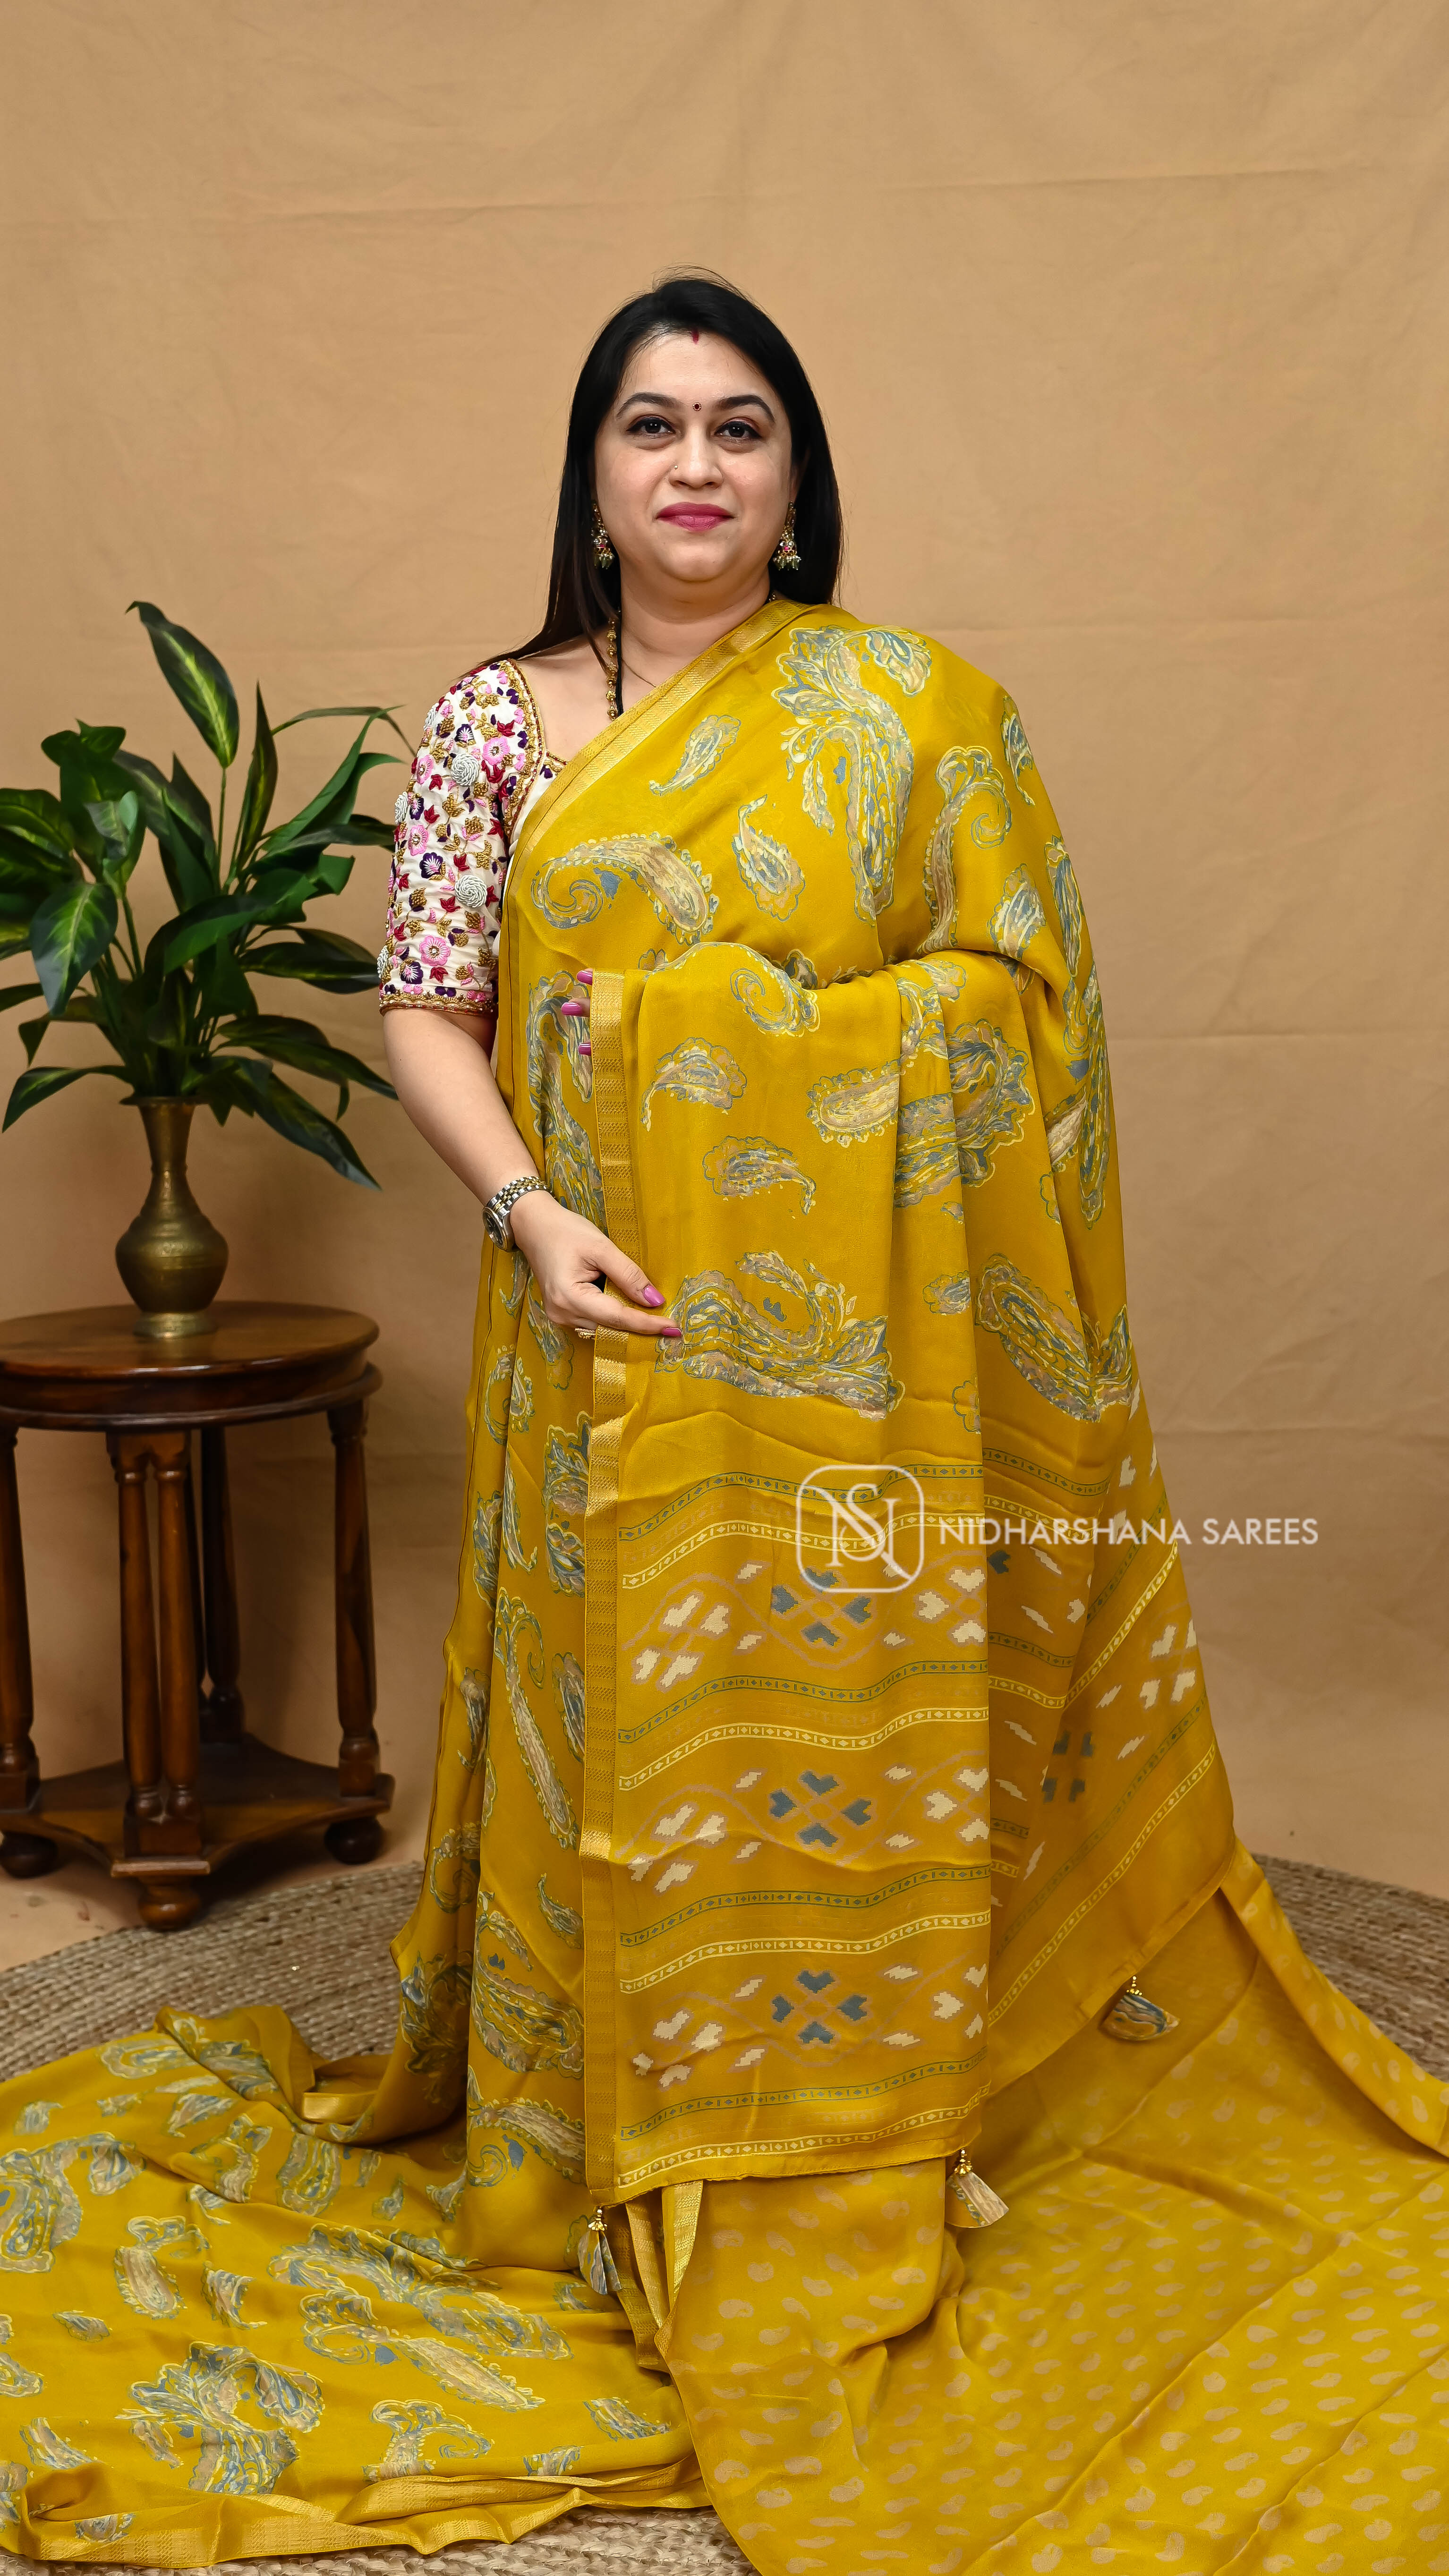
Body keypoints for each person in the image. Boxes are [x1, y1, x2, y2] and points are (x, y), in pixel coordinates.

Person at [0, 275, 1444, 2576]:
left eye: (739, 426)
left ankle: (872, 2104)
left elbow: (1017, 1009)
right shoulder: (497, 723)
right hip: (612, 1316)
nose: (694, 464)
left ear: (795, 474)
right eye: (651, 424)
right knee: (632, 1717)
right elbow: (429, 1003)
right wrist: (530, 1207)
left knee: (852, 1706)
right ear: (590, 472)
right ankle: (614, 2120)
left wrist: (735, 1032)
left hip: (868, 1356)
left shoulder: (911, 717)